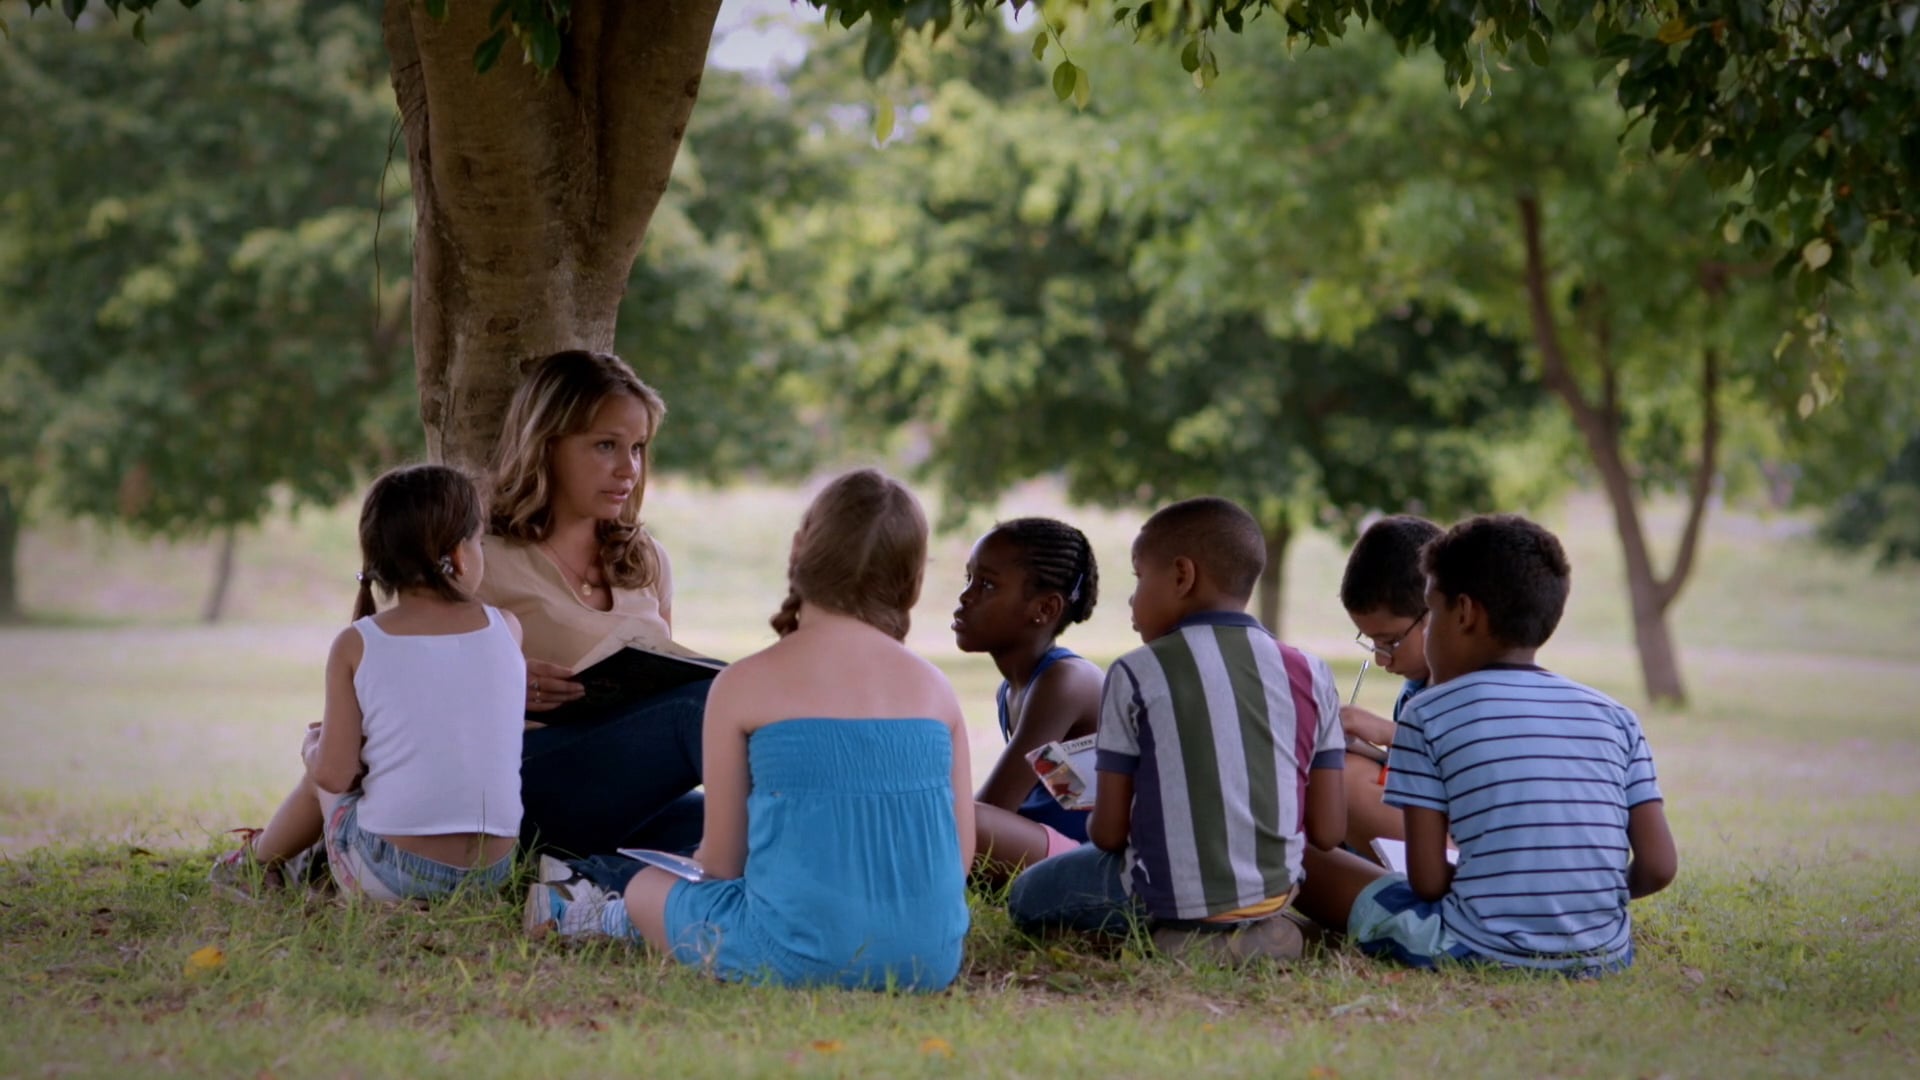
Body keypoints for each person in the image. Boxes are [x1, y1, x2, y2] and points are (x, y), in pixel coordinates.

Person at [524, 469, 975, 992]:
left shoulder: (743, 684)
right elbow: (959, 857)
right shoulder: (938, 690)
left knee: (647, 888)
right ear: (912, 578)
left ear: (799, 548)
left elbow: (722, 864)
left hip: (788, 953)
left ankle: (606, 913)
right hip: (929, 961)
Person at [1294, 514, 1679, 976]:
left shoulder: (1427, 714)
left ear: (1464, 613)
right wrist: (1585, 896)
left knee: (1295, 856)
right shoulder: (1619, 717)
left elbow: (1428, 881)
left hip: (1474, 946)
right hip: (1605, 955)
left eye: (1431, 611)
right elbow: (1659, 866)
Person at [1006, 496, 1347, 964]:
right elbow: (1328, 831)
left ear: (1183, 576)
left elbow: (1108, 835)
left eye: (1139, 577)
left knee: (1027, 896)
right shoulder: (1314, 672)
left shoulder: (1136, 671)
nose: (1132, 599)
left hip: (1160, 896)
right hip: (1272, 895)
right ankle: (1263, 933)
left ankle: (1173, 941)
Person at [209, 465, 525, 902]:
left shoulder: (356, 643)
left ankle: (252, 865)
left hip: (393, 874)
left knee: (319, 773)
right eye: (479, 540)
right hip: (492, 872)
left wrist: (312, 749)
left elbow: (335, 776)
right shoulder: (507, 628)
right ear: (459, 553)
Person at [477, 349, 709, 861]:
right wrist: (503, 683)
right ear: (546, 445)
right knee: (708, 703)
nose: (629, 469)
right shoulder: (481, 560)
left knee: (745, 826)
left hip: (617, 798)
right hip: (521, 787)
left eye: (638, 448)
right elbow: (407, 694)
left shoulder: (648, 560)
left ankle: (587, 884)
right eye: (606, 445)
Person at [952, 517, 1104, 883]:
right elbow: (1066, 795)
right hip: (1064, 850)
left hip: (1103, 867)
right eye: (969, 579)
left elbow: (989, 810)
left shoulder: (1064, 682)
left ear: (1045, 609)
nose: (965, 597)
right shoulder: (1012, 690)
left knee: (957, 820)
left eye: (987, 584)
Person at [1336, 514, 1443, 857]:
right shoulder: (1415, 688)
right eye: (1372, 643)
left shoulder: (1476, 683)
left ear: (1436, 613)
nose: (1382, 660)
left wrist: (1388, 732)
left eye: (1390, 642)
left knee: (1345, 784)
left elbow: (1465, 758)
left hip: (1464, 850)